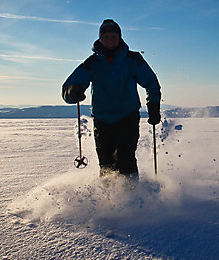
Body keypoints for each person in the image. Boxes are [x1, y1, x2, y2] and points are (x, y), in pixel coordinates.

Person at [62, 19, 161, 180]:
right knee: (106, 164)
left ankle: (134, 196)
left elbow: (151, 83)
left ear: (119, 38)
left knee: (125, 158)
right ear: (100, 39)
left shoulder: (133, 59)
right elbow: (68, 88)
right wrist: (72, 92)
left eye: (113, 37)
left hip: (128, 115)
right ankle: (109, 200)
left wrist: (154, 105)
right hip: (102, 118)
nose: (110, 41)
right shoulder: (92, 63)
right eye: (106, 37)